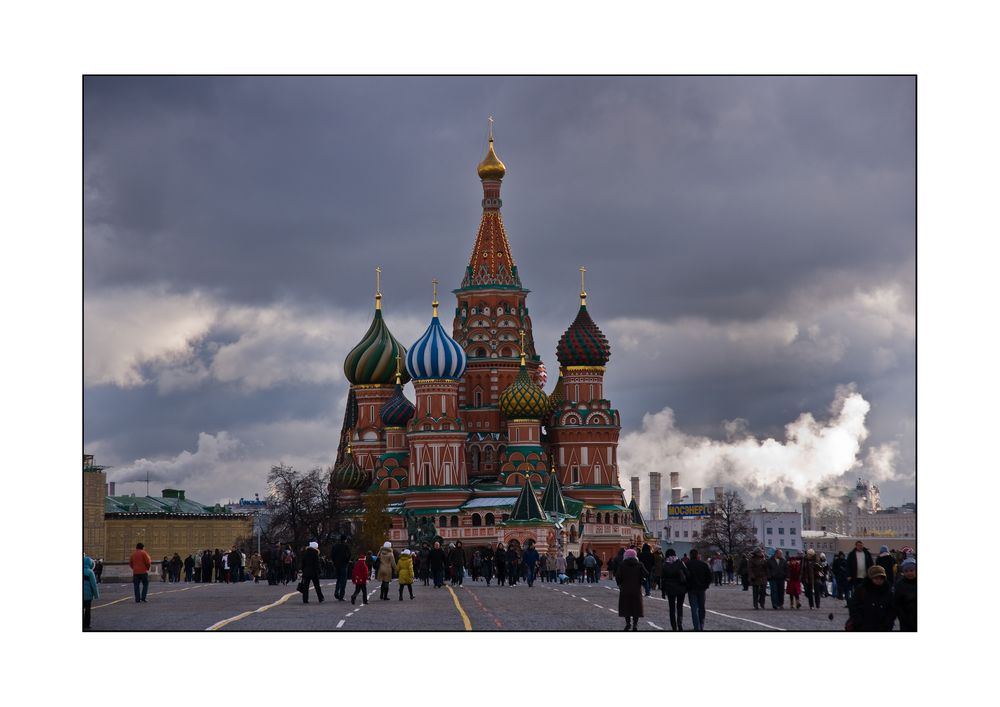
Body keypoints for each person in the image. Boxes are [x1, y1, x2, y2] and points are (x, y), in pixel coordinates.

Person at [846, 565, 895, 631]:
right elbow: (854, 606)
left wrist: (888, 623)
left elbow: (891, 609)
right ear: (870, 578)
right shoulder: (861, 590)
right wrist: (858, 620)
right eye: (876, 578)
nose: (879, 580)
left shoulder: (888, 591)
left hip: (882, 627)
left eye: (881, 578)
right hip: (863, 626)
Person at [615, 548, 646, 631]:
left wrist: (620, 584)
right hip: (636, 589)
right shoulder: (640, 565)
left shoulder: (622, 565)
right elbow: (646, 574)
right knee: (636, 607)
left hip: (625, 589)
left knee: (626, 607)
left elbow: (618, 576)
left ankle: (628, 623)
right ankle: (635, 624)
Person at [660, 548, 687, 631]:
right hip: (681, 588)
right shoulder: (680, 562)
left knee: (671, 608)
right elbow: (687, 574)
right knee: (680, 607)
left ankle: (674, 627)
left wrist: (663, 592)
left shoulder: (664, 565)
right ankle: (680, 623)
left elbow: (663, 579)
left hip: (670, 588)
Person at [686, 549, 712, 631]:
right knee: (701, 607)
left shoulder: (687, 564)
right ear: (697, 555)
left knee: (694, 609)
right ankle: (701, 625)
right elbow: (710, 577)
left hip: (691, 589)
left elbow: (684, 577)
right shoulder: (703, 564)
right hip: (701, 589)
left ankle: (696, 627)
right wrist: (706, 585)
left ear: (690, 555)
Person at [894, 558, 916, 631]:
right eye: (906, 571)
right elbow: (897, 605)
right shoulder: (900, 585)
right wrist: (903, 619)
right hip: (906, 621)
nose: (909, 573)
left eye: (911, 570)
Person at [330, 534, 351, 600]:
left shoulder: (335, 546)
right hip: (344, 565)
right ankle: (341, 596)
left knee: (338, 579)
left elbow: (332, 555)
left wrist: (334, 562)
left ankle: (336, 592)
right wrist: (347, 561)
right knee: (343, 580)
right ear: (345, 540)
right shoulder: (346, 546)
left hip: (337, 565)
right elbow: (349, 555)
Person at [84, 555, 100, 630]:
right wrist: (96, 595)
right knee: (87, 610)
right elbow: (94, 585)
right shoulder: (90, 572)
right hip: (88, 596)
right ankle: (86, 624)